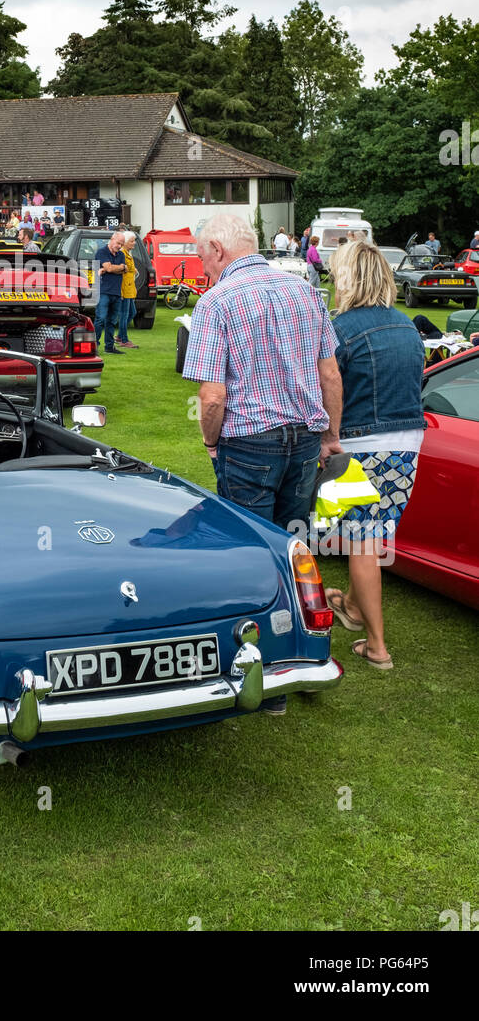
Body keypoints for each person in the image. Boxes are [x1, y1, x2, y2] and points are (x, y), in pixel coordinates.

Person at [183, 213, 343, 711]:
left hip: (249, 441)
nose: (202, 266)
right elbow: (330, 374)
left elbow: (212, 397)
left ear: (217, 248)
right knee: (293, 546)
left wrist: (211, 443)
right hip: (302, 439)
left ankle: (262, 672)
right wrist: (330, 435)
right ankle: (300, 655)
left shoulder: (217, 302)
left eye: (202, 256)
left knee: (249, 555)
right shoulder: (304, 292)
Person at [322, 241, 427, 671]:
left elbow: (327, 389)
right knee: (370, 534)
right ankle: (352, 604)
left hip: (358, 445)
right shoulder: (408, 327)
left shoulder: (338, 329)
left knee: (361, 542)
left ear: (345, 278)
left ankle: (377, 646)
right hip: (408, 445)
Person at [93, 231, 127, 354]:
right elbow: (109, 268)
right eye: (118, 243)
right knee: (100, 319)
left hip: (116, 292)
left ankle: (109, 347)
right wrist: (121, 268)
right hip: (103, 291)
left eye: (122, 244)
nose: (119, 246)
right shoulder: (102, 252)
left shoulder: (121, 255)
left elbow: (119, 269)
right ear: (112, 239)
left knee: (112, 321)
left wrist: (117, 268)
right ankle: (93, 346)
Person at [116, 231, 139, 349]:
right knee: (124, 315)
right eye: (132, 241)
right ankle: (124, 340)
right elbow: (120, 270)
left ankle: (120, 335)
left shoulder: (127, 253)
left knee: (132, 312)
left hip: (130, 288)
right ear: (124, 242)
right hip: (124, 289)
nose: (134, 243)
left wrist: (133, 269)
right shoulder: (122, 254)